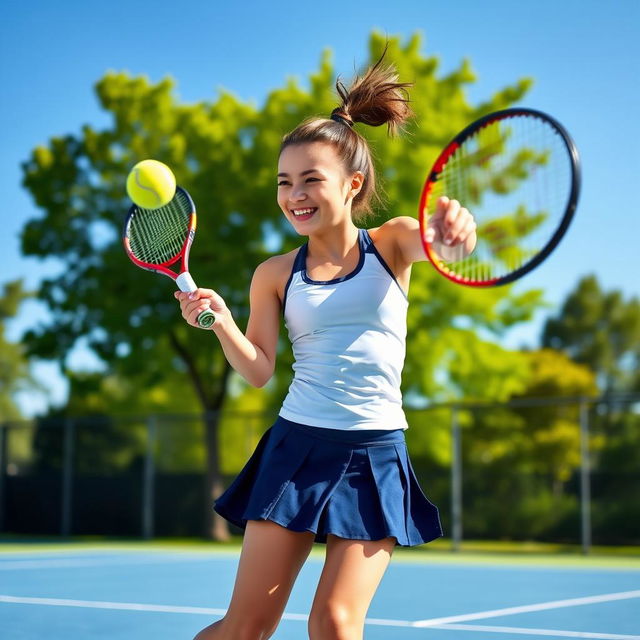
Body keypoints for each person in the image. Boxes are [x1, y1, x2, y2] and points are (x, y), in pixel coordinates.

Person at [175, 51, 476, 640]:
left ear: (352, 183)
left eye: (311, 179)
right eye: (285, 182)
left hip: (374, 453)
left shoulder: (390, 244)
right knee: (245, 629)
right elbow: (259, 370)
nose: (295, 195)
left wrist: (455, 234)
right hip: (296, 449)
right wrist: (222, 322)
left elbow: (443, 245)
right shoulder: (273, 274)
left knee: (335, 623)